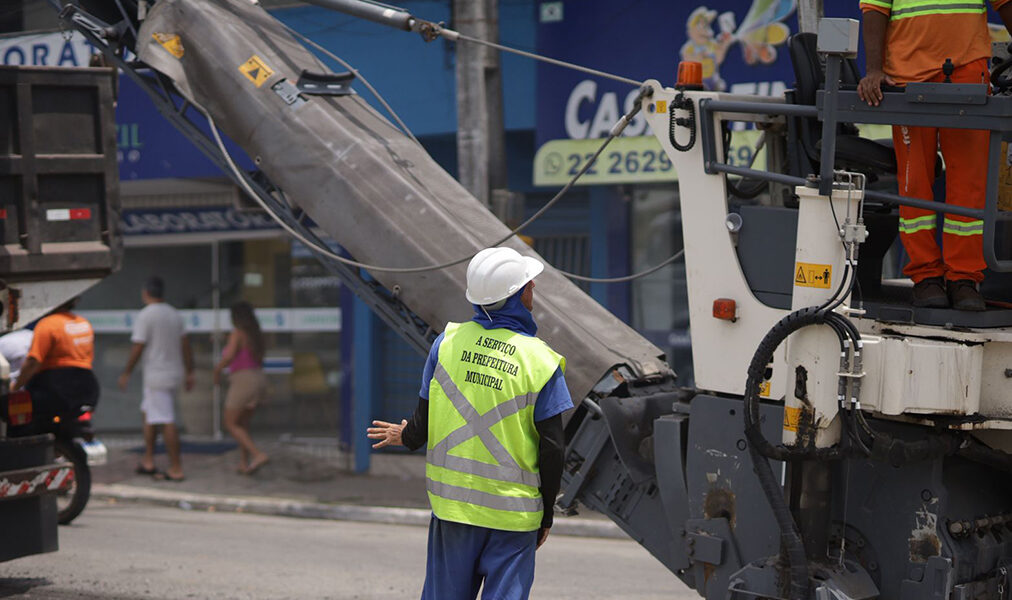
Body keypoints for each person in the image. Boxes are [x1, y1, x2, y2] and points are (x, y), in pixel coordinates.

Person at [367, 247, 573, 600]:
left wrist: (406, 436)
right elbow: (552, 448)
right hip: (513, 518)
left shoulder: (446, 344)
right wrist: (546, 514)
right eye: (528, 283)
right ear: (518, 295)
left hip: (454, 511)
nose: (533, 287)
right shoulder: (541, 361)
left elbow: (422, 424)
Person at [858, 0, 1012, 310]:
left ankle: (964, 279)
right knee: (915, 183)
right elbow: (874, 9)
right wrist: (874, 70)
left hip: (968, 72)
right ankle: (925, 277)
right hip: (907, 76)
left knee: (969, 184)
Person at [118, 277, 194, 482]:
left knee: (166, 419)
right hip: (172, 371)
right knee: (149, 413)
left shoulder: (146, 316)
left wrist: (126, 372)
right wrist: (190, 371)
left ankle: (176, 468)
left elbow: (138, 346)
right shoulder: (174, 314)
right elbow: (186, 345)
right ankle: (149, 460)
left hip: (156, 375)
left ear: (146, 293)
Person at [10, 298, 99, 426]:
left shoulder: (48, 324)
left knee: (9, 407)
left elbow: (33, 361)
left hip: (56, 388)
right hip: (88, 388)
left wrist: (16, 386)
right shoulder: (83, 323)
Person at [213, 301, 269, 475]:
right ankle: (244, 463)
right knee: (242, 424)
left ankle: (257, 454)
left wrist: (217, 370)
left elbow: (229, 356)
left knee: (230, 423)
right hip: (258, 378)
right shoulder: (256, 335)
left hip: (243, 380)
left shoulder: (237, 333)